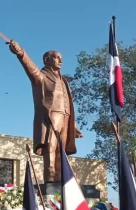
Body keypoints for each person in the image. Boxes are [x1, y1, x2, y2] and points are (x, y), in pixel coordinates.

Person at [9, 41, 83, 182]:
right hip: (52, 115)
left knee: (61, 151)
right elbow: (31, 69)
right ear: (47, 60)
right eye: (57, 57)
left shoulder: (63, 80)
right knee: (51, 146)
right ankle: (50, 178)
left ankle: (61, 179)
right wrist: (20, 53)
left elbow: (68, 102)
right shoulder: (42, 76)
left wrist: (73, 126)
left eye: (61, 58)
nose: (61, 60)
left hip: (66, 117)